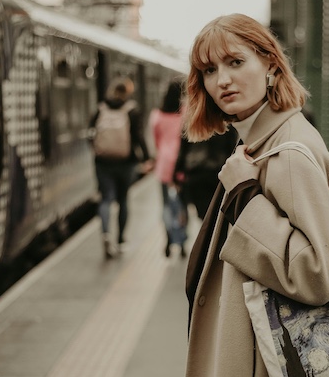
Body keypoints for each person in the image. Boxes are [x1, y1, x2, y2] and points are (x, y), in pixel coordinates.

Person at [176, 14, 329, 377]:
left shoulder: (288, 153)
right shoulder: (259, 143)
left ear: (271, 67)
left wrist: (246, 196)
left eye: (236, 62)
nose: (223, 81)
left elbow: (322, 271)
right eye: (209, 71)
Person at [89, 77, 151, 258]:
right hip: (126, 162)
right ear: (127, 92)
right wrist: (146, 158)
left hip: (103, 163)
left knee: (106, 199)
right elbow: (138, 136)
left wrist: (97, 152)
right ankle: (121, 240)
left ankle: (106, 233)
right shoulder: (132, 110)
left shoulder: (100, 108)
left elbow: (90, 134)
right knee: (123, 200)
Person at [150, 79, 189, 257]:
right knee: (182, 205)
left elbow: (156, 141)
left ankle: (168, 239)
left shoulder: (157, 115)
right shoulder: (185, 112)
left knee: (166, 205)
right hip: (181, 165)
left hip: (164, 165)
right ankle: (181, 243)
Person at [174, 129, 238, 220]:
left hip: (197, 173)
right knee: (223, 213)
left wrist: (176, 171)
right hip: (219, 170)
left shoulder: (191, 119)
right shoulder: (223, 117)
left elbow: (183, 149)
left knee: (206, 217)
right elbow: (231, 144)